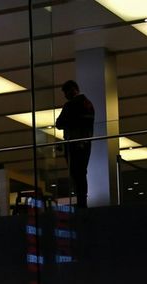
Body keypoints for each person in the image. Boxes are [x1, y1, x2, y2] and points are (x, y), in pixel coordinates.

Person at [55, 80, 95, 208]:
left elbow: (59, 123)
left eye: (66, 92)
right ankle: (82, 201)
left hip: (73, 143)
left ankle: (81, 201)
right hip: (85, 143)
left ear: (72, 90)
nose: (66, 96)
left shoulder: (70, 105)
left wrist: (69, 122)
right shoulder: (88, 104)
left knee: (76, 173)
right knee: (82, 173)